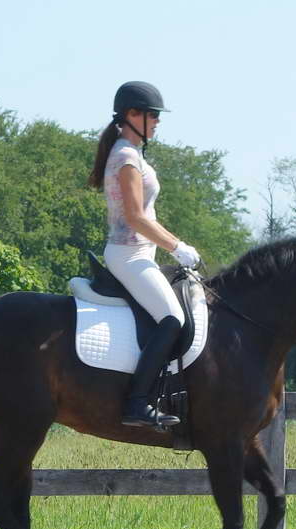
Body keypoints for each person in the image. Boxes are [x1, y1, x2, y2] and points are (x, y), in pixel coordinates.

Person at [88, 81, 201, 428]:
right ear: (131, 115)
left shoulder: (133, 154)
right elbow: (136, 217)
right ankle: (137, 402)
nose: (157, 121)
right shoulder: (125, 156)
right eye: (152, 115)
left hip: (140, 253)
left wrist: (174, 243)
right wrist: (176, 247)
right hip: (128, 255)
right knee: (171, 319)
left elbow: (146, 217)